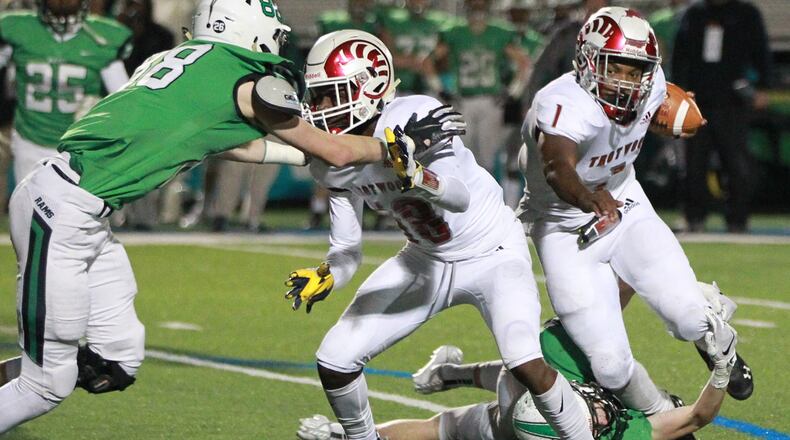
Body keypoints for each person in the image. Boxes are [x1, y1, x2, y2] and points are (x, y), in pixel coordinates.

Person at [0, 0, 449, 433]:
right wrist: (395, 145)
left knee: (115, 360)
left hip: (76, 207)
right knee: (47, 385)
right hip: (62, 211)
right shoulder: (251, 79)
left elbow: (219, 141)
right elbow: (333, 148)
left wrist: (302, 159)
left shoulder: (176, 60)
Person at [289, 29, 595, 440]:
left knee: (523, 358)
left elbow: (458, 197)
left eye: (330, 94)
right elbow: (346, 247)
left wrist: (415, 173)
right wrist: (329, 272)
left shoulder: (411, 116)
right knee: (334, 359)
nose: (318, 107)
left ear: (369, 87)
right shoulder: (332, 162)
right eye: (317, 95)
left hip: (492, 250)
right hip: (425, 258)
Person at [515, 6, 753, 420]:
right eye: (616, 68)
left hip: (626, 205)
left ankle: (719, 340)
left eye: (635, 70)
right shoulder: (560, 102)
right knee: (609, 366)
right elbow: (557, 167)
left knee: (691, 320)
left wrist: (675, 117)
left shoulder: (653, 83)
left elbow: (664, 104)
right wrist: (590, 198)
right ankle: (661, 410)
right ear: (588, 60)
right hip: (563, 227)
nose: (626, 81)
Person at [297, 311, 739, 440]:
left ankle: (350, 433)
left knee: (536, 363)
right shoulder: (629, 431)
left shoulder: (625, 430)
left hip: (528, 420)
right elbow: (694, 417)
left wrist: (720, 366)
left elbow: (696, 417)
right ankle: (345, 434)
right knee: (442, 429)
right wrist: (720, 366)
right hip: (517, 422)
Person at [0, 0, 132, 183]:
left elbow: (124, 99)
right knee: (28, 208)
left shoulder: (103, 38)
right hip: (30, 141)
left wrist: (102, 112)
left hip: (77, 146)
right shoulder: (17, 28)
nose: (62, 2)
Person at [671, 0, 772, 233]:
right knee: (694, 162)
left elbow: (761, 50)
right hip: (697, 101)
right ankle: (694, 217)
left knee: (736, 162)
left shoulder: (746, 14)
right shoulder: (694, 14)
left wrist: (763, 87)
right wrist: (677, 93)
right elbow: (680, 56)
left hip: (732, 102)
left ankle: (738, 219)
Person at [423, 0, 530, 174]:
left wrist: (514, 92)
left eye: (481, 5)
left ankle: (487, 197)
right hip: (464, 101)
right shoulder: (455, 32)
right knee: (462, 155)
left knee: (487, 159)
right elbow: (427, 62)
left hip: (490, 101)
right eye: (474, 5)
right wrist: (440, 89)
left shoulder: (499, 32)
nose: (478, 9)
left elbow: (523, 63)